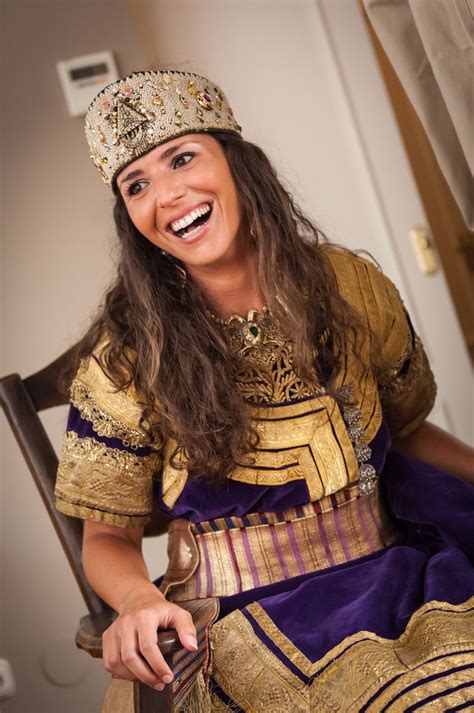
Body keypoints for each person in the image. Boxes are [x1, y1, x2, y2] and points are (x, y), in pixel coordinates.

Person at [55, 69, 474, 712]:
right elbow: (107, 537)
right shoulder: (125, 360)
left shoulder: (352, 285)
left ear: (238, 163)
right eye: (136, 185)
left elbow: (409, 430)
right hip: (241, 615)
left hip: (396, 571)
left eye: (182, 158)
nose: (166, 196)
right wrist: (140, 600)